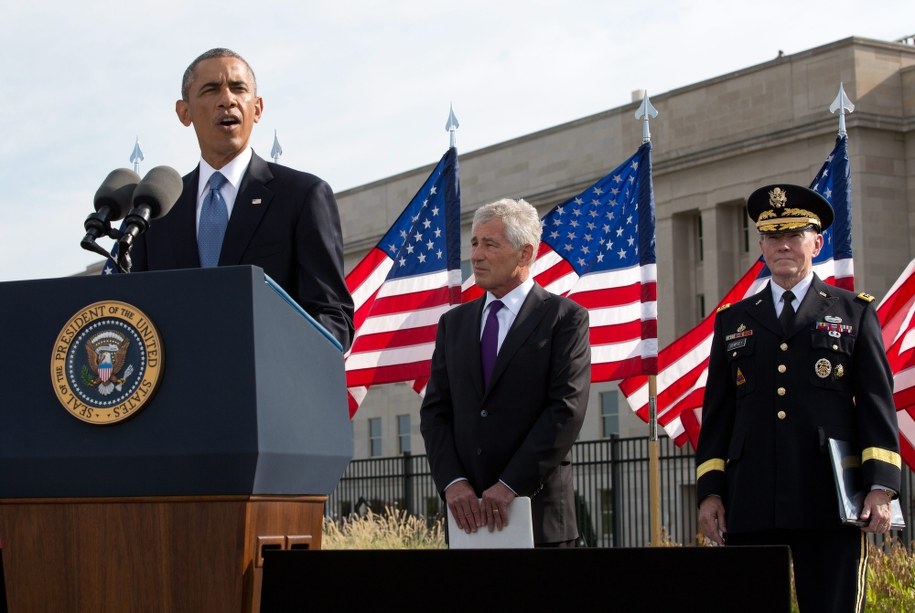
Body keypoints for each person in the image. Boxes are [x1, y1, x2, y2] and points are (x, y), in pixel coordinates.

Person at [696, 184, 901, 612]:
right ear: (761, 245)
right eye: (773, 236)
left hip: (826, 496)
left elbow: (876, 404)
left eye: (794, 235)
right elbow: (718, 416)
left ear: (816, 241)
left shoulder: (853, 312)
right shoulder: (733, 320)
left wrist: (880, 486)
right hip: (751, 498)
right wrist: (711, 493)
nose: (783, 245)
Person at [129, 48, 354, 351]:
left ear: (257, 108)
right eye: (211, 90)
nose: (227, 99)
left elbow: (332, 317)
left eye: (238, 88)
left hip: (269, 389)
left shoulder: (301, 195)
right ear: (185, 113)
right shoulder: (156, 211)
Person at [420, 198, 591, 547]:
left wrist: (510, 485)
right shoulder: (453, 324)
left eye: (490, 244)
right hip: (467, 523)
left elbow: (565, 410)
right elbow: (436, 412)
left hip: (540, 521)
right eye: (474, 243)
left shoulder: (564, 319)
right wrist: (453, 482)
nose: (476, 255)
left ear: (525, 254)